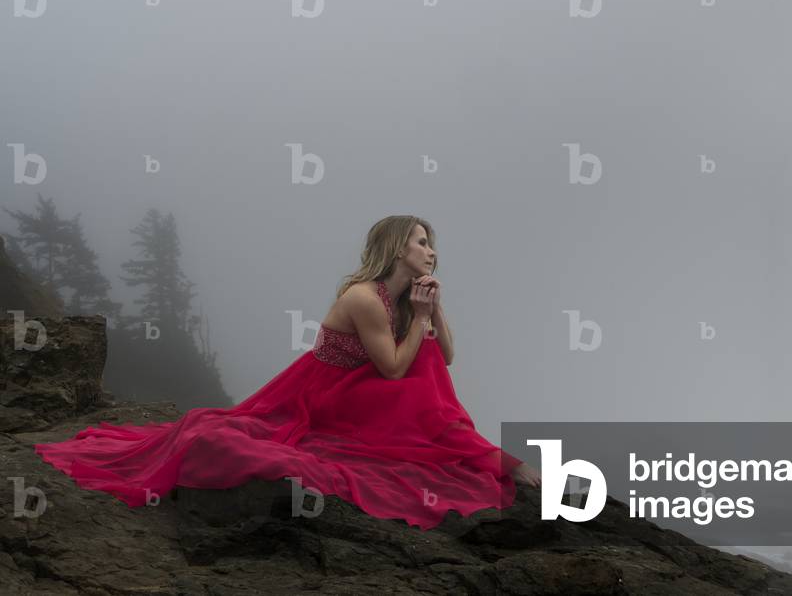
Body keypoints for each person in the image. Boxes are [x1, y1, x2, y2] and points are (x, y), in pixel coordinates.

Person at [35, 215, 541, 531]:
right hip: (322, 394)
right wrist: (423, 321)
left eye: (431, 244)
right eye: (422, 242)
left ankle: (484, 454)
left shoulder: (408, 298)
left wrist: (434, 310)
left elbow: (444, 356)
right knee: (418, 385)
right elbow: (391, 369)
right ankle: (497, 460)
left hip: (362, 389)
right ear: (396, 248)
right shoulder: (364, 297)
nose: (431, 251)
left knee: (427, 368)